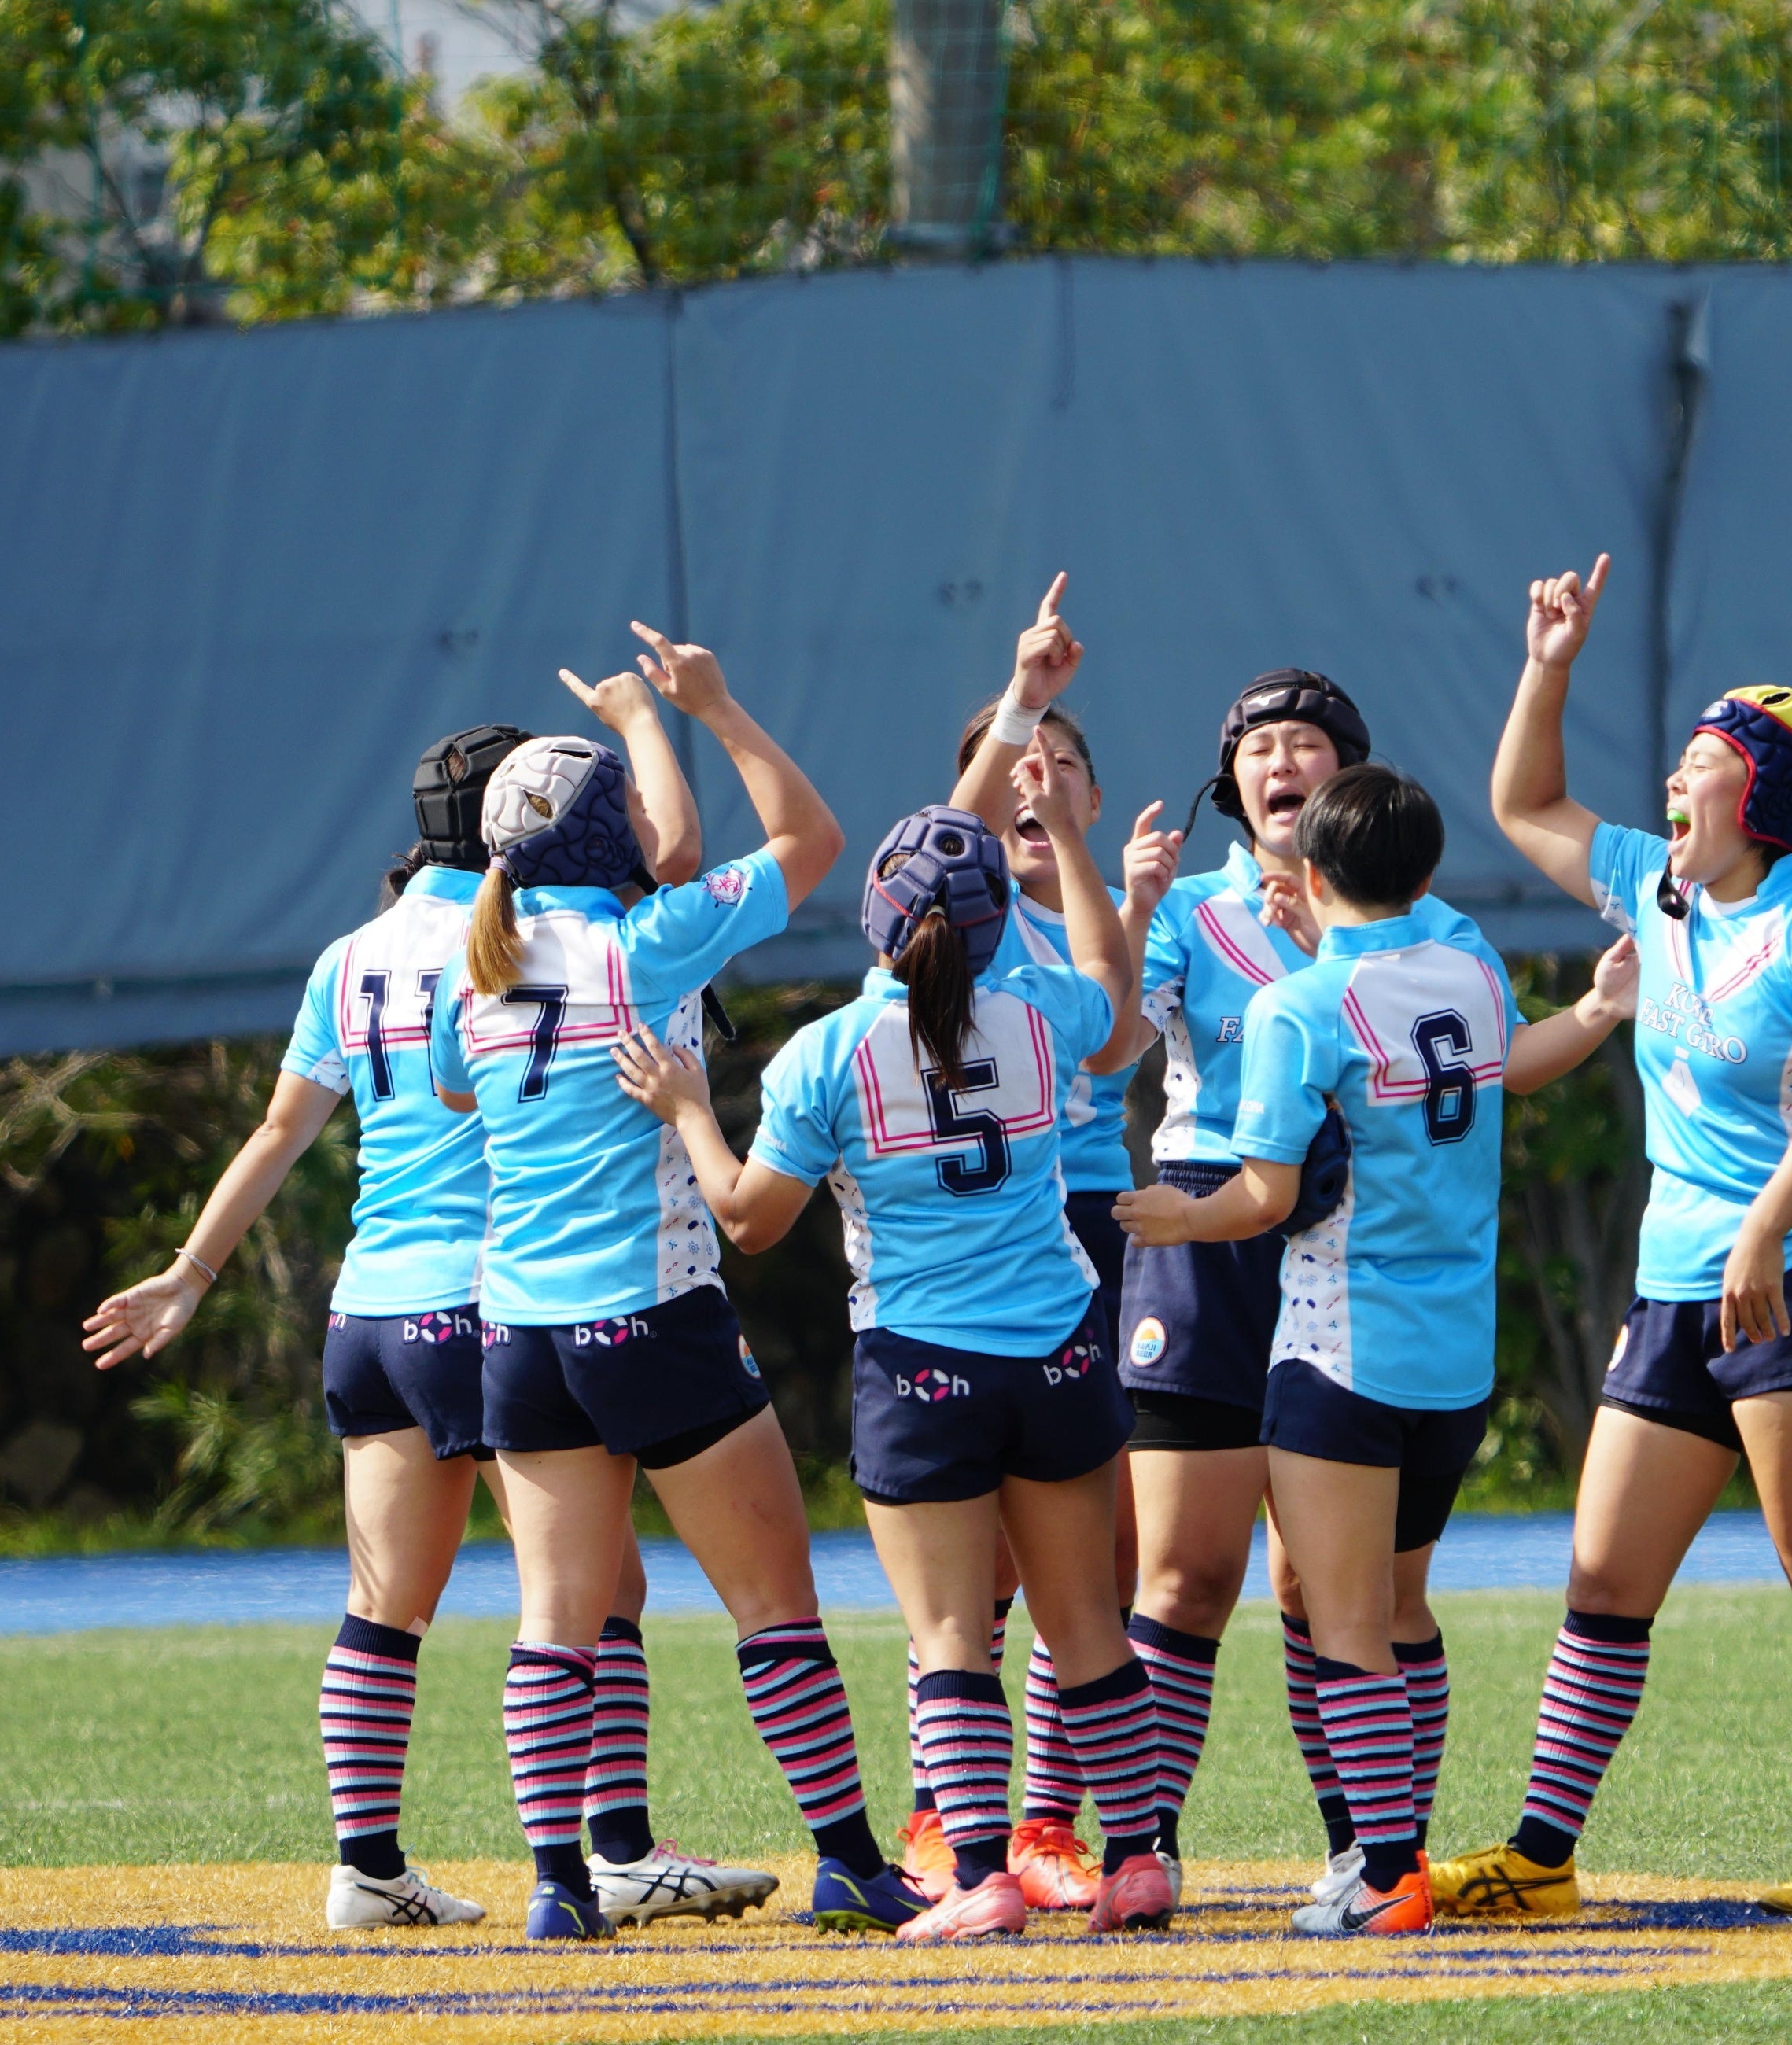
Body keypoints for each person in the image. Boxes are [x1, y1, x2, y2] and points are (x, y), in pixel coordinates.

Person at [79, 677, 771, 1933]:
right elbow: (676, 861)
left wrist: (192, 1271)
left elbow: (280, 1130)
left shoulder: (350, 955)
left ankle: (367, 1865)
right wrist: (650, 722)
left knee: (384, 1604)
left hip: (370, 1311)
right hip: (495, 1301)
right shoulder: (520, 939)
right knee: (595, 1593)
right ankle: (614, 1850)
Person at [1434, 555, 1792, 1921]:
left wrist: (1765, 1226)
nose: (1670, 782)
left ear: (1761, 796)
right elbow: (1525, 805)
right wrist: (1548, 664)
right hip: (1674, 1290)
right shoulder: (1660, 889)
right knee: (1602, 1578)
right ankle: (1542, 1857)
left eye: (1700, 764)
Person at [614, 765, 1174, 1944]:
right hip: (1059, 1352)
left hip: (923, 1368)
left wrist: (689, 1110)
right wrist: (1074, 844)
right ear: (993, 925)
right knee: (1088, 1629)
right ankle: (1136, 1864)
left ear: (876, 913)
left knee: (950, 1639)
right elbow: (1116, 997)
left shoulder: (826, 1054)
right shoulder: (1038, 1015)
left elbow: (748, 1220)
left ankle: (978, 1877)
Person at [427, 625, 920, 1944]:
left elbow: (457, 1091)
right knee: (773, 1608)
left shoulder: (476, 969)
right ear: (610, 839)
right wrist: (715, 712)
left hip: (518, 1330)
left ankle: (558, 1889)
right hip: (649, 1312)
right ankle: (852, 1864)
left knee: (555, 1625)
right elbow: (812, 842)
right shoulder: (645, 947)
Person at [1117, 765, 1636, 1935]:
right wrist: (1601, 1011)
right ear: (1429, 873)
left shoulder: (1302, 1006)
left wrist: (1178, 1219)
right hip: (1455, 1355)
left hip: (1340, 1345)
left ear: (1308, 876)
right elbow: (1511, 1062)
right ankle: (1394, 1857)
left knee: (1343, 1624)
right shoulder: (1469, 970)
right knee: (1401, 1610)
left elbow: (1264, 1196)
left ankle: (1387, 1873)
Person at [912, 574, 1178, 1908]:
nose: (1035, 775)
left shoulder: (1090, 908)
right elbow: (942, 840)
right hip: (967, 1243)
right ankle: (940, 1820)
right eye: (1015, 762)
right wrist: (1022, 702)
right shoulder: (944, 923)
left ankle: (1046, 1826)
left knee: (1092, 1551)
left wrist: (1116, 883)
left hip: (1083, 1228)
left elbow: (1116, 1040)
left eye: (1061, 764)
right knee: (974, 1557)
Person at [1115, 667, 1396, 1889]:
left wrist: (1333, 945)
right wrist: (1131, 908)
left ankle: (1362, 1848)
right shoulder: (1186, 907)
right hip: (1207, 1233)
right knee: (1185, 1573)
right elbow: (1110, 1046)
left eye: (1307, 743)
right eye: (1259, 746)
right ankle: (1142, 1845)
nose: (1282, 762)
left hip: (1342, 1236)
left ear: (1351, 775)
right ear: (1231, 782)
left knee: (1320, 1579)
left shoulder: (1403, 920)